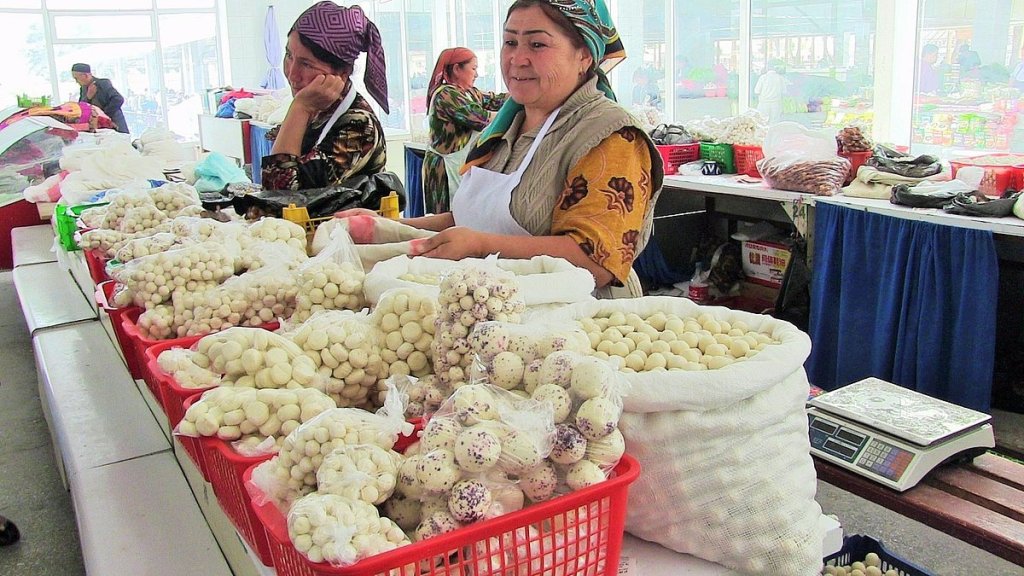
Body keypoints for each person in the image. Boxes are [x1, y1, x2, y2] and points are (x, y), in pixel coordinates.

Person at [336, 0, 664, 295]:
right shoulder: (505, 129)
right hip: (496, 311)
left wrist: (480, 247)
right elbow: (474, 221)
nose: (517, 59)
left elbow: (597, 262)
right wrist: (387, 229)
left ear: (584, 56)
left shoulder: (610, 136)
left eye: (537, 44)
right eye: (510, 42)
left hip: (580, 319)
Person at [261, 1, 389, 191]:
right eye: (288, 56)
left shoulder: (358, 126)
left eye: (306, 64)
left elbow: (279, 196)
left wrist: (299, 108)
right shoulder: (317, 110)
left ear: (342, 73)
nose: (291, 73)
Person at [423, 47, 507, 214]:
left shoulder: (470, 93)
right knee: (445, 218)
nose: (476, 74)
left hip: (459, 165)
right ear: (456, 69)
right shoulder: (446, 95)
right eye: (473, 68)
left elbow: (495, 100)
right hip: (443, 170)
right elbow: (480, 118)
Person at [71, 63, 128, 134]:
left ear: (85, 75)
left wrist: (104, 115)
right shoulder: (83, 89)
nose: (76, 81)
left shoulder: (103, 84)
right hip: (98, 127)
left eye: (76, 78)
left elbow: (118, 99)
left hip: (114, 122)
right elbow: (82, 107)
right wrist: (88, 97)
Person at [754, 59, 789, 123]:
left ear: (768, 67)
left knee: (762, 123)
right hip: (776, 104)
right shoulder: (780, 78)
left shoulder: (763, 78)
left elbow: (756, 91)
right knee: (774, 124)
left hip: (764, 104)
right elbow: (784, 92)